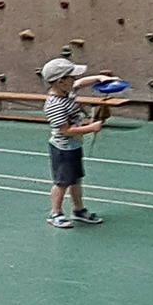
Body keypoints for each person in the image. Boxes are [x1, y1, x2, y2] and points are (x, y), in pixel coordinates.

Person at [41, 57, 106, 229]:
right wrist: (91, 128)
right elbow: (66, 130)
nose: (75, 80)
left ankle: (78, 210)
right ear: (61, 81)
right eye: (71, 77)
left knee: (76, 180)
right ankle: (55, 213)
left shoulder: (67, 91)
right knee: (62, 182)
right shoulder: (55, 105)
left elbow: (81, 83)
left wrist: (100, 78)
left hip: (74, 146)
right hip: (63, 149)